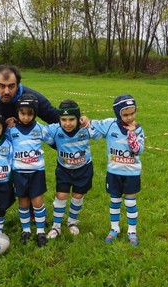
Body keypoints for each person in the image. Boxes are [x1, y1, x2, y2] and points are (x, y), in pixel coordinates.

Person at [90, 94, 144, 246]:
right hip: (114, 173)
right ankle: (114, 229)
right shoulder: (109, 124)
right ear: (118, 113)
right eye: (125, 114)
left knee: (130, 202)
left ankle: (132, 231)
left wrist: (132, 133)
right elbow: (92, 125)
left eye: (132, 113)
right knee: (115, 201)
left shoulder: (138, 129)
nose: (129, 117)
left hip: (132, 173)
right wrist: (85, 122)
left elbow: (137, 150)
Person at [44, 100, 103, 240]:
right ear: (59, 119)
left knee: (77, 196)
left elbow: (101, 131)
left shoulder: (85, 129)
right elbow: (37, 130)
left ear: (78, 118)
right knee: (61, 196)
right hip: (64, 169)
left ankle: (72, 222)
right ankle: (56, 226)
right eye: (63, 119)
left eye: (71, 119)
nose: (67, 123)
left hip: (84, 169)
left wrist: (89, 122)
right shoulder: (55, 129)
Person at [6, 94, 53, 247]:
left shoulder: (40, 129)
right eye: (22, 113)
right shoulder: (11, 130)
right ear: (17, 113)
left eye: (30, 113)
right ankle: (26, 230)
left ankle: (40, 231)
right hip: (19, 172)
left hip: (37, 172)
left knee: (37, 202)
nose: (26, 117)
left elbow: (54, 141)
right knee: (23, 202)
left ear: (35, 113)